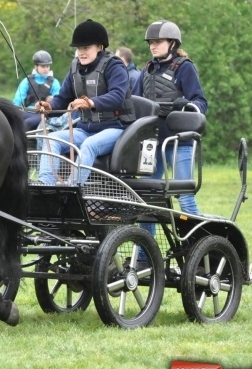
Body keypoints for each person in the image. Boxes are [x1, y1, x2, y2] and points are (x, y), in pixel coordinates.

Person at [36, 19, 135, 185]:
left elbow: (117, 96)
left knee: (89, 145)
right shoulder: (75, 66)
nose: (81, 52)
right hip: (85, 128)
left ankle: (72, 189)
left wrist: (90, 103)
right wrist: (49, 106)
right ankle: (46, 186)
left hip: (115, 127)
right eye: (79, 48)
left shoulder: (114, 66)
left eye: (86, 48)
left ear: (100, 47)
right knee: (51, 139)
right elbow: (63, 97)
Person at [133, 19, 208, 227]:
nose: (152, 46)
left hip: (178, 142)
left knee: (184, 197)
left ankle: (200, 246)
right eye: (150, 42)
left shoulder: (185, 68)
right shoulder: (146, 69)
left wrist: (187, 105)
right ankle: (143, 257)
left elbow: (201, 103)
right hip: (151, 142)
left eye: (158, 41)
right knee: (147, 199)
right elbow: (135, 102)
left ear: (173, 44)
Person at [12, 50, 62, 130]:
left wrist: (51, 101)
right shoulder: (27, 81)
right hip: (28, 111)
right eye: (43, 66)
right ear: (36, 66)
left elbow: (59, 99)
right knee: (14, 120)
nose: (45, 69)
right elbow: (18, 99)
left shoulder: (54, 82)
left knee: (27, 123)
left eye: (47, 66)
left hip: (44, 114)